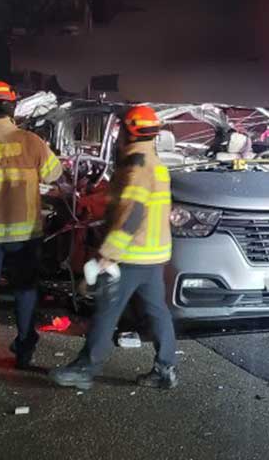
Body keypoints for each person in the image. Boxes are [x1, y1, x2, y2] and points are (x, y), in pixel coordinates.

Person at [50, 105, 178, 391]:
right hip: (154, 255)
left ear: (128, 131)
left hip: (130, 255)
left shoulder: (136, 166)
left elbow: (131, 214)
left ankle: (85, 368)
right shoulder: (156, 163)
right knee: (157, 311)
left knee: (107, 311)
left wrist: (107, 255)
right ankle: (165, 369)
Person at [0, 80, 62, 370]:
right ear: (12, 107)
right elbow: (54, 175)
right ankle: (24, 349)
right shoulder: (31, 141)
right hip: (25, 233)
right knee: (25, 290)